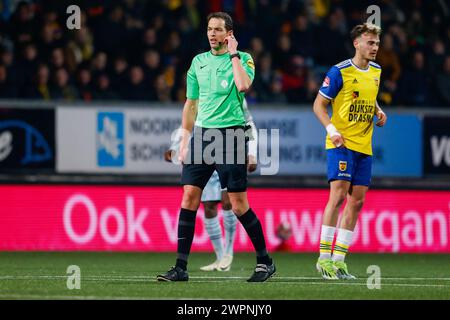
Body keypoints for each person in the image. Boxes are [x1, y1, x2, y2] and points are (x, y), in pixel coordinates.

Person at [157, 12, 275, 282]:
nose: (212, 34)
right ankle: (180, 268)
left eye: (218, 30)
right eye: (209, 29)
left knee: (238, 205)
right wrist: (185, 138)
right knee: (188, 197)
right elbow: (191, 103)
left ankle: (265, 261)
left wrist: (233, 55)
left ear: (229, 34)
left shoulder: (244, 59)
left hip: (231, 135)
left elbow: (244, 86)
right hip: (202, 135)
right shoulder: (198, 62)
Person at [312, 23, 387, 280]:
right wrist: (332, 129)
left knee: (357, 201)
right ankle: (323, 258)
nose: (374, 47)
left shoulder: (376, 70)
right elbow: (319, 105)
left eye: (376, 43)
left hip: (364, 146)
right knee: (339, 195)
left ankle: (339, 260)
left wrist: (378, 110)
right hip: (340, 143)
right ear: (357, 43)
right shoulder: (339, 71)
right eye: (370, 42)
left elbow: (369, 94)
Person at [164, 99, 258, 272]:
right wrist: (175, 147)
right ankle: (220, 256)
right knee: (208, 206)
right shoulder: (199, 93)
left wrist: (252, 152)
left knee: (229, 201)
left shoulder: (233, 90)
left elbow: (248, 123)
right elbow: (187, 122)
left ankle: (228, 254)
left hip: (227, 148)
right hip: (203, 152)